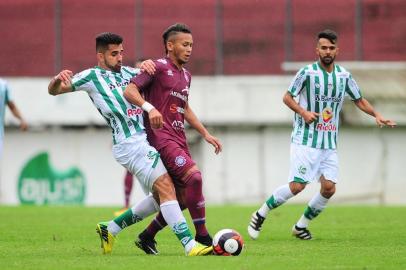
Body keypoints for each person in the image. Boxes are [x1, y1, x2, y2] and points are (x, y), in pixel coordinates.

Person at [48, 32, 212, 256]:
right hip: (129, 143)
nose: (120, 58)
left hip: (148, 139)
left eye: (121, 52)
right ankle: (189, 245)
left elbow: (153, 80)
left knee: (162, 197)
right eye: (114, 54)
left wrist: (148, 64)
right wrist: (57, 80)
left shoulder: (129, 72)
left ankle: (110, 228)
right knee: (166, 187)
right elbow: (55, 91)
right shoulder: (91, 76)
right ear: (100, 56)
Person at [248, 29, 396, 240]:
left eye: (331, 48)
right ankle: (260, 214)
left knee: (328, 188)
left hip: (329, 142)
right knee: (297, 186)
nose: (328, 51)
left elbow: (359, 100)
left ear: (337, 50)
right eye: (324, 47)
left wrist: (377, 115)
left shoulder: (344, 76)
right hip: (305, 139)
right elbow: (287, 97)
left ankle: (300, 226)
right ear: (317, 50)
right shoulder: (307, 73)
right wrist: (304, 112)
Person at [124, 23, 222, 254]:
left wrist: (205, 133)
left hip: (179, 138)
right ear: (170, 45)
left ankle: (147, 236)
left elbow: (184, 107)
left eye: (191, 45)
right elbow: (129, 91)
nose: (189, 49)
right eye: (184, 44)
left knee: (184, 198)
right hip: (160, 138)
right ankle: (204, 237)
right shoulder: (156, 67)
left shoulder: (186, 75)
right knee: (195, 178)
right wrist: (150, 109)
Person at [113, 59, 146, 217]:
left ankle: (164, 202)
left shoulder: (149, 86)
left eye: (142, 68)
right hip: (133, 136)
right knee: (130, 170)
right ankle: (126, 205)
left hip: (151, 132)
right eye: (137, 68)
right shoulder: (129, 86)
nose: (139, 71)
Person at [0, 78, 28, 157]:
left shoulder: (3, 85)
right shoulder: (3, 85)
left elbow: (11, 106)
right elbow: (12, 106)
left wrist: (22, 119)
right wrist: (22, 119)